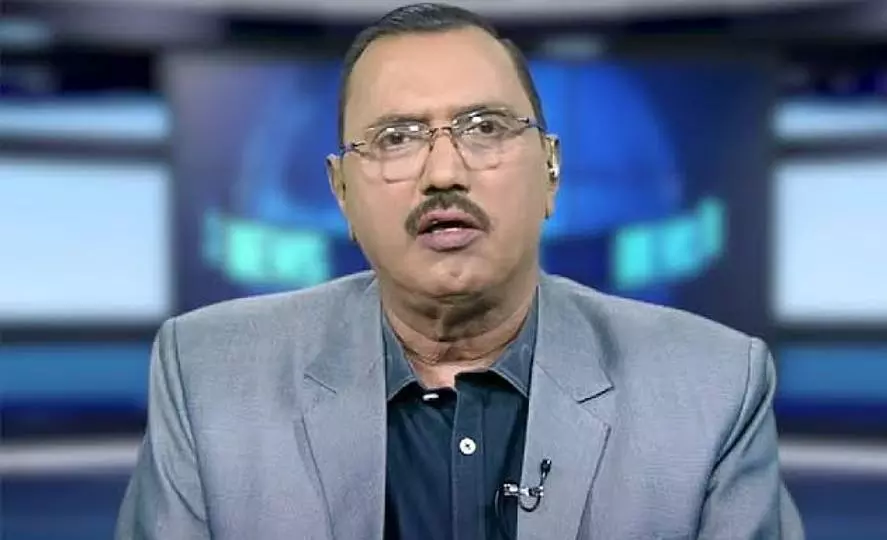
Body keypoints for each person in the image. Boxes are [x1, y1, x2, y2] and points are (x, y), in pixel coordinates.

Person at [116, 3, 804, 539]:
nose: (444, 172)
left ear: (552, 170)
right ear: (342, 192)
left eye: (485, 128)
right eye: (396, 138)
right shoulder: (207, 379)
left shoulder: (714, 388)